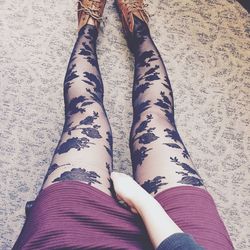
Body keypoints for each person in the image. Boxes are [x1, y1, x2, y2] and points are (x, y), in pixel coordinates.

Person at [13, 0, 234, 249]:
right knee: (156, 117)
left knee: (85, 111)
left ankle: (88, 26)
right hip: (187, 240)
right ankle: (138, 28)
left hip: (68, 240)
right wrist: (141, 199)